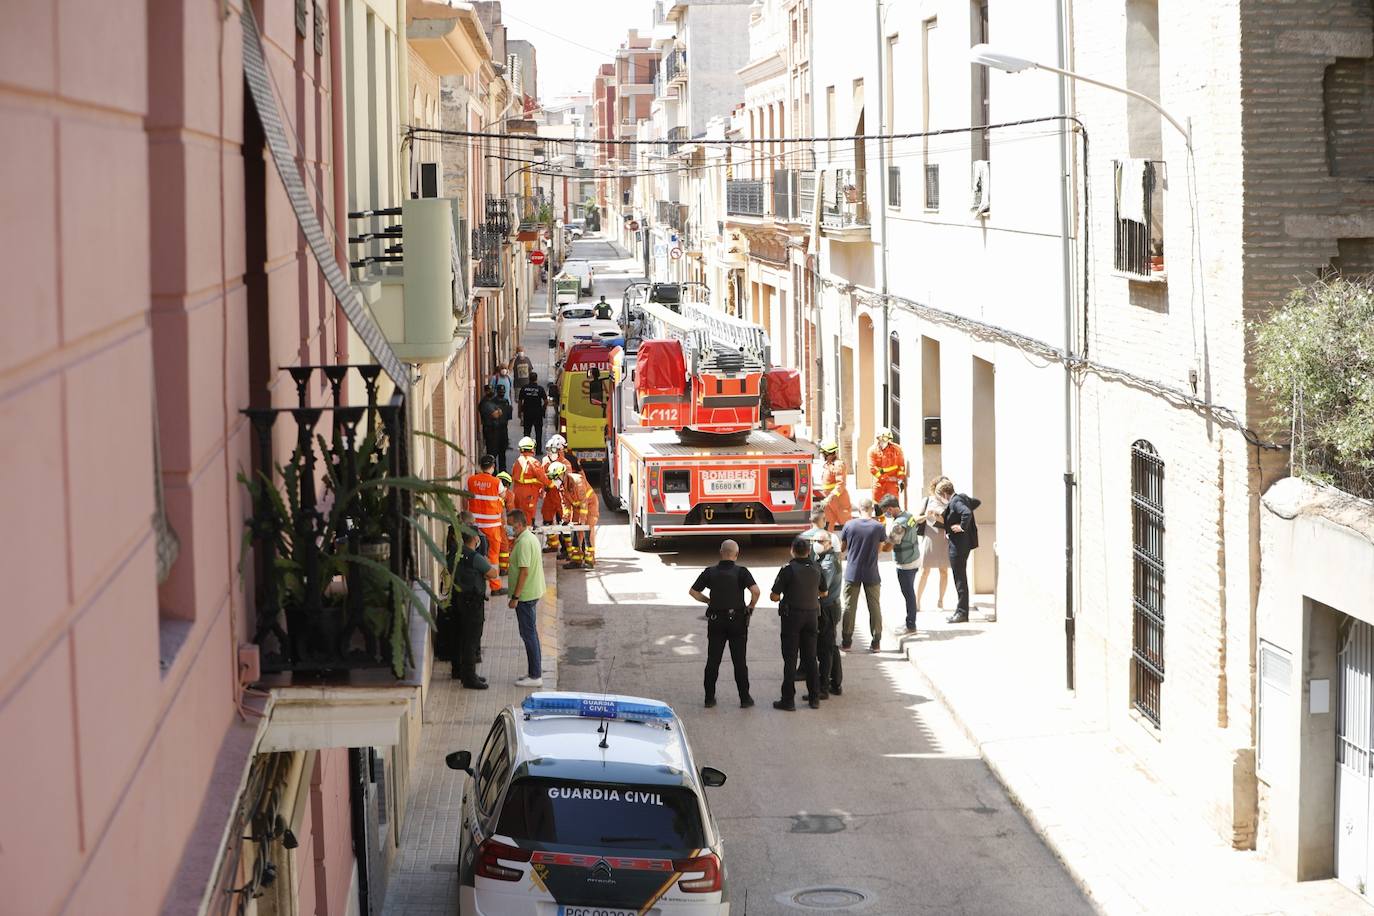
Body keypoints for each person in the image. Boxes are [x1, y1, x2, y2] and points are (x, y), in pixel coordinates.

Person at [688, 539, 759, 709]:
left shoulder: (710, 572)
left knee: (713, 660)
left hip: (716, 621)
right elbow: (756, 591)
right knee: (739, 661)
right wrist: (750, 606)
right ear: (736, 554)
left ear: (721, 553)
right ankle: (744, 698)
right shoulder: (742, 572)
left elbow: (693, 592)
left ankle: (709, 698)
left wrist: (709, 601)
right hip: (737, 622)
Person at [770, 537, 827, 710]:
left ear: (792, 550)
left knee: (790, 658)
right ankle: (814, 698)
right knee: (810, 658)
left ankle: (788, 700)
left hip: (792, 617)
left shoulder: (787, 570)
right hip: (811, 616)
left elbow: (774, 596)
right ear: (809, 551)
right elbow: (824, 592)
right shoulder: (817, 568)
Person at [839, 498, 887, 652]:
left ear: (859, 508)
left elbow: (842, 548)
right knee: (874, 606)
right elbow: (880, 549)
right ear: (872, 509)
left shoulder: (849, 525)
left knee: (849, 607)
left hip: (852, 571)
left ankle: (847, 642)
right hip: (872, 571)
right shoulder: (879, 527)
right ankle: (876, 642)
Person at [506, 509, 546, 687]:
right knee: (530, 633)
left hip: (526, 595)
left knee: (528, 634)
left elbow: (524, 571)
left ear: (519, 524)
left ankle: (535, 676)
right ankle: (533, 672)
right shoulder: (527, 538)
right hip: (532, 592)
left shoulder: (523, 543)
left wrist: (515, 596)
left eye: (510, 524)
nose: (508, 528)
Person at [448, 529, 491, 688]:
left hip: (458, 599)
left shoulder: (454, 553)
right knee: (472, 640)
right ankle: (469, 677)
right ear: (474, 538)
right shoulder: (474, 557)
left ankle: (459, 671)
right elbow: (492, 573)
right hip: (473, 602)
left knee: (460, 637)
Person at [806, 517, 844, 697]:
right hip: (829, 607)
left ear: (829, 544)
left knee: (825, 649)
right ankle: (835, 684)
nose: (816, 545)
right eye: (815, 541)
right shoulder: (823, 558)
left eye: (820, 542)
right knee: (831, 647)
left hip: (828, 609)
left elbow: (823, 590)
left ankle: (824, 688)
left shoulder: (828, 563)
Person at [939, 480, 982, 623]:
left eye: (940, 496)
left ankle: (962, 613)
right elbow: (975, 503)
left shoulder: (955, 501)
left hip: (958, 546)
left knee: (960, 579)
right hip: (964, 544)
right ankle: (960, 610)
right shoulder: (962, 497)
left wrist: (962, 526)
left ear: (944, 494)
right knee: (961, 579)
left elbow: (967, 512)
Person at [464, 456, 507, 595]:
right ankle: (495, 587)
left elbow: (466, 496)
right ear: (493, 467)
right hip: (492, 526)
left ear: (480, 466)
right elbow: (504, 495)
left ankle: (475, 584)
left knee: (475, 554)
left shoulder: (471, 480)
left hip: (475, 526)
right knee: (493, 556)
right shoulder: (496, 482)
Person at [881, 494, 923, 634]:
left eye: (886, 511)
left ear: (891, 509)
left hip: (906, 562)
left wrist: (881, 542)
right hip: (914, 557)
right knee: (910, 592)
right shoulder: (909, 515)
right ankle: (911, 622)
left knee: (908, 594)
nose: (885, 514)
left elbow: (888, 546)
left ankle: (911, 625)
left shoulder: (898, 525)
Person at [916, 476, 952, 612]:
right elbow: (916, 519)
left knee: (944, 571)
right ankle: (917, 601)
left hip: (943, 539)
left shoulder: (949, 502)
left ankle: (940, 601)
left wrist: (940, 517)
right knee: (924, 571)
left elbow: (951, 522)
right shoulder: (926, 501)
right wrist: (927, 516)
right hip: (929, 538)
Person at [562, 465, 600, 569]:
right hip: (577, 507)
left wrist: (582, 520)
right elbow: (566, 504)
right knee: (575, 531)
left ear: (562, 475)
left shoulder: (578, 481)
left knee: (587, 529)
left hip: (590, 505)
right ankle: (576, 560)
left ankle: (590, 560)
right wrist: (566, 517)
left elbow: (584, 502)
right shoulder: (562, 485)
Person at [511, 436, 551, 524]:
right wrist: (551, 484)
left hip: (517, 491)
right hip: (529, 493)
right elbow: (542, 477)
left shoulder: (517, 462)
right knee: (528, 514)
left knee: (519, 514)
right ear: (532, 449)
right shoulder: (534, 462)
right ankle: (528, 532)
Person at [540, 437, 569, 552]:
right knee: (547, 521)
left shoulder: (565, 464)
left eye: (554, 450)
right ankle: (552, 544)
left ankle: (566, 549)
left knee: (563, 523)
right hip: (549, 496)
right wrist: (542, 489)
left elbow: (568, 481)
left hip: (561, 497)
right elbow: (542, 477)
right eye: (549, 450)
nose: (551, 453)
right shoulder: (545, 461)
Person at [817, 441, 853, 530]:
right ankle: (828, 543)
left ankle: (850, 543)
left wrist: (830, 497)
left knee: (846, 526)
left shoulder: (838, 465)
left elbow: (841, 484)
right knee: (828, 525)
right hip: (829, 502)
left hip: (839, 501)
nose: (822, 455)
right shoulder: (829, 464)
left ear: (829, 453)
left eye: (823, 453)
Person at [867, 427, 906, 505]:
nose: (886, 441)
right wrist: (887, 478)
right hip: (879, 482)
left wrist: (900, 479)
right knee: (877, 505)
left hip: (892, 483)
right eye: (884, 438)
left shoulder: (897, 449)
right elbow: (873, 469)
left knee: (893, 504)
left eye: (888, 438)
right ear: (878, 438)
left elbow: (901, 466)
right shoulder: (872, 451)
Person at [478, 387, 507, 471]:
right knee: (492, 453)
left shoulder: (493, 401)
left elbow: (500, 412)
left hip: (498, 430)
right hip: (490, 431)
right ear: (485, 391)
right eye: (488, 390)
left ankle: (502, 470)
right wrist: (498, 411)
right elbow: (496, 414)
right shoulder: (485, 403)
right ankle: (493, 472)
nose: (490, 392)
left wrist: (499, 411)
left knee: (502, 451)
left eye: (491, 390)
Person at [518, 371, 548, 448]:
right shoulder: (540, 389)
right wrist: (543, 409)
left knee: (527, 432)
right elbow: (546, 401)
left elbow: (520, 401)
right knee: (538, 432)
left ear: (529, 379)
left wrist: (519, 412)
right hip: (538, 413)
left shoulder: (524, 388)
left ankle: (526, 448)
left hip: (527, 413)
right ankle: (538, 449)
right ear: (536, 379)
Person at [496, 471, 515, 575]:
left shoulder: (491, 490)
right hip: (501, 522)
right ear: (507, 484)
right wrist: (511, 530)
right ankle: (503, 568)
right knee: (504, 545)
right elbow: (510, 512)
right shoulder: (508, 494)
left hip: (487, 521)